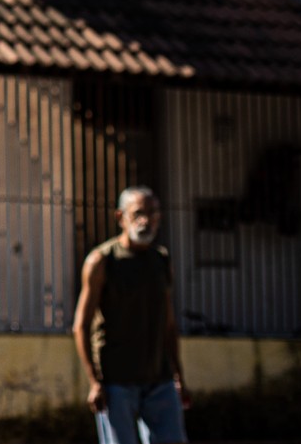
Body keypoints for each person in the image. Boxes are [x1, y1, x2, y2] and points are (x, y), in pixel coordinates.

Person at [72, 186, 189, 444]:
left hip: (160, 379)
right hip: (117, 382)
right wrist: (94, 381)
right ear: (120, 217)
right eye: (138, 213)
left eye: (152, 213)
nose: (146, 220)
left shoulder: (161, 260)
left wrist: (179, 375)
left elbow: (168, 323)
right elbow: (81, 326)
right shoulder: (102, 261)